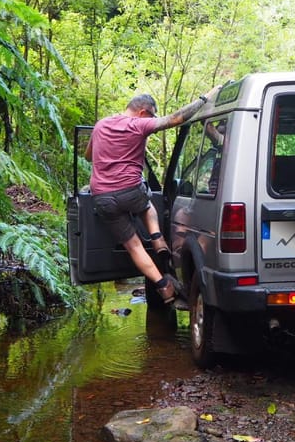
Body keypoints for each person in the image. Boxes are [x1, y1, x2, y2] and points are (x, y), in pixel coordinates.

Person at [85, 87, 220, 305]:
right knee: (147, 206)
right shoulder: (138, 124)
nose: (153, 119)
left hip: (102, 197)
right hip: (130, 190)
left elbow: (89, 155)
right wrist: (205, 99)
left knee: (134, 246)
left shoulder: (101, 125)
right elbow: (176, 118)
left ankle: (163, 286)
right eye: (153, 115)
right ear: (143, 112)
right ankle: (158, 240)